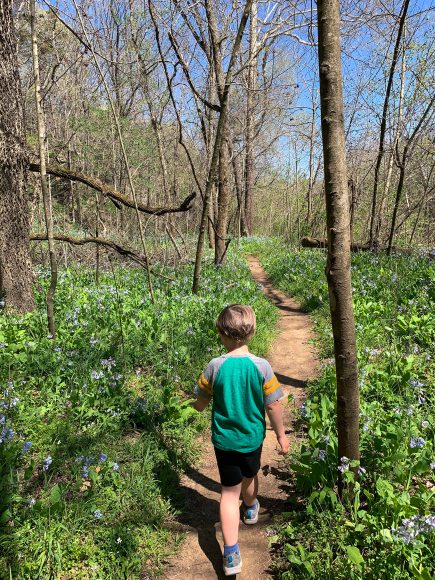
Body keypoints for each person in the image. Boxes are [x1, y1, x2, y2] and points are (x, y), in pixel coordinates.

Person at [192, 304, 289, 576]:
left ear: (221, 334)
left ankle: (231, 553)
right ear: (253, 333)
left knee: (227, 493)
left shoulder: (214, 367)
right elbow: (273, 406)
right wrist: (281, 435)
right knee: (250, 476)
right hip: (252, 440)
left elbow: (200, 402)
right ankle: (250, 508)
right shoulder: (262, 367)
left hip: (224, 442)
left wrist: (191, 407)